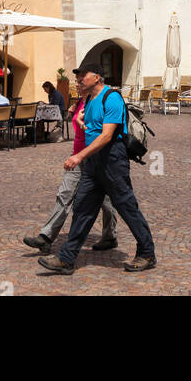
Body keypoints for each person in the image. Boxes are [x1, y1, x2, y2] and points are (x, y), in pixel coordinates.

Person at [37, 61, 156, 276]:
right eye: (78, 76)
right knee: (82, 208)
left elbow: (107, 135)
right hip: (93, 164)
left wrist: (78, 156)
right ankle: (66, 259)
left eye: (83, 75)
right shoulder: (90, 99)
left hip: (112, 161)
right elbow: (94, 128)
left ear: (98, 77)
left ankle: (147, 253)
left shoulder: (112, 98)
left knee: (126, 207)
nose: (78, 79)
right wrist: (82, 123)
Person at [23, 83, 117, 254]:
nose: (77, 85)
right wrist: (74, 114)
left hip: (96, 157)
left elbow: (102, 132)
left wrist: (82, 123)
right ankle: (46, 237)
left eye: (81, 82)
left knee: (106, 200)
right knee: (64, 194)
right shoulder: (81, 102)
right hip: (77, 157)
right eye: (77, 82)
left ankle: (110, 235)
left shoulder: (100, 101)